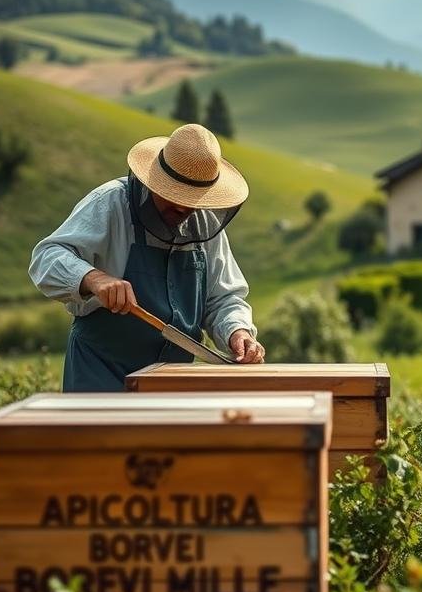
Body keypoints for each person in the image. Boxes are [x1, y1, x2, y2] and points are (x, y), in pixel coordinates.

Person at [30, 123, 264, 391]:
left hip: (172, 383)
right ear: (154, 179)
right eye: (174, 194)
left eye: (192, 198)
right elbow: (46, 258)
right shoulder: (110, 203)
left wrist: (238, 332)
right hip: (100, 376)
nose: (182, 207)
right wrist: (94, 279)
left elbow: (223, 299)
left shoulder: (204, 225)